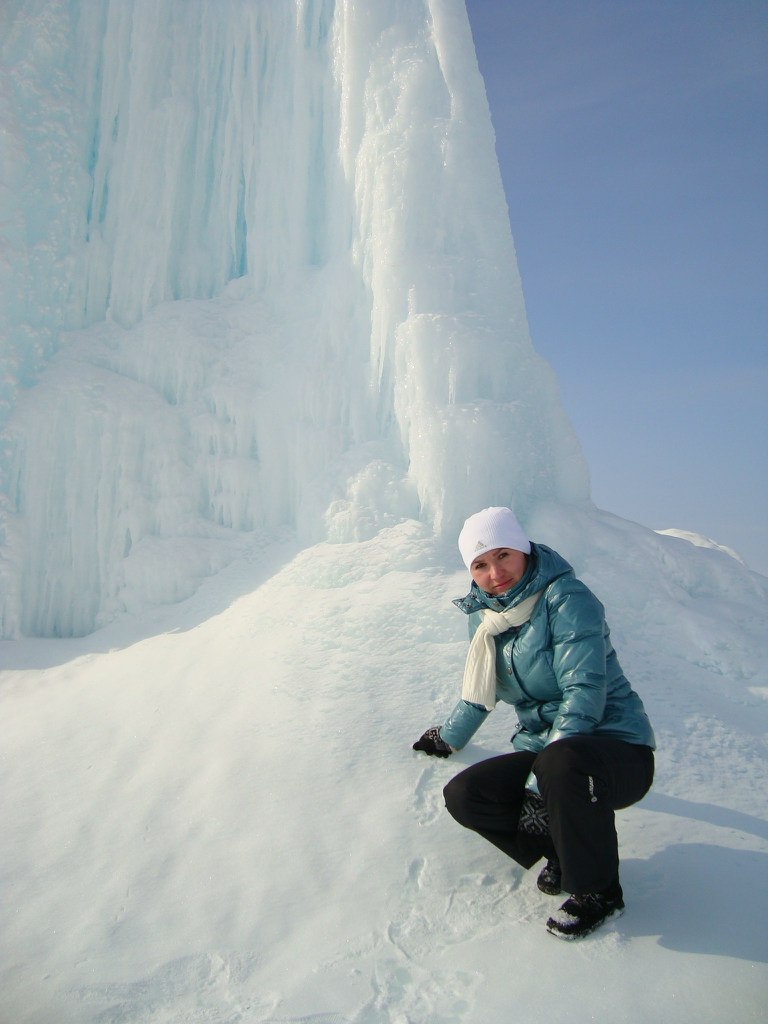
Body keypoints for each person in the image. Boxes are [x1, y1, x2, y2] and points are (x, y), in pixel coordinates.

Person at [413, 506, 655, 939]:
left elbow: (584, 691)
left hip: (616, 749)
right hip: (551, 756)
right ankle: (561, 849)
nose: (495, 572)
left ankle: (599, 891)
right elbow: (480, 688)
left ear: (524, 549)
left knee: (560, 764)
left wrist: (538, 782)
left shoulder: (566, 597)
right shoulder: (486, 620)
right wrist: (447, 739)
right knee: (467, 794)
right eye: (480, 564)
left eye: (503, 555)